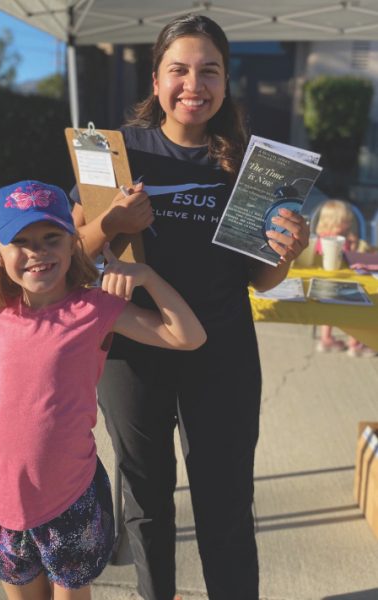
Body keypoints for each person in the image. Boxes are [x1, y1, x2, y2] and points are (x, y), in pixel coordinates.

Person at [71, 14, 310, 600]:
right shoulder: (116, 154)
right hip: (134, 348)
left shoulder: (252, 166)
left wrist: (287, 254)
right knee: (147, 501)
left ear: (226, 84)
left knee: (225, 501)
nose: (193, 84)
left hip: (222, 348)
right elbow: (73, 255)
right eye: (178, 70)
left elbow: (259, 277)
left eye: (209, 71)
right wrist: (112, 222)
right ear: (156, 81)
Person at [0, 180, 207, 600]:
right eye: (22, 241)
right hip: (1, 497)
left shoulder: (95, 308)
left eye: (52, 238)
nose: (37, 252)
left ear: (73, 245)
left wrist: (146, 277)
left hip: (69, 496)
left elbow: (186, 336)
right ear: (0, 252)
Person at [315, 199, 375, 357]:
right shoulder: (333, 240)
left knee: (329, 311)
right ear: (333, 222)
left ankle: (325, 339)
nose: (349, 225)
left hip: (328, 281)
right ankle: (355, 343)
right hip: (340, 281)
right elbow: (348, 257)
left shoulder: (322, 237)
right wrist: (351, 245)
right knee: (354, 309)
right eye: (345, 222)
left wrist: (353, 243)